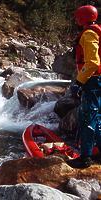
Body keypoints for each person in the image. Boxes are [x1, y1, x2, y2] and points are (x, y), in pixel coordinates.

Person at [68, 5, 101, 168]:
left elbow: (93, 62)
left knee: (87, 117)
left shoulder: (88, 34)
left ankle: (85, 157)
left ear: (82, 18)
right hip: (98, 80)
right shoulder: (97, 30)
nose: (75, 20)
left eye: (77, 17)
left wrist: (79, 82)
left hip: (92, 81)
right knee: (97, 117)